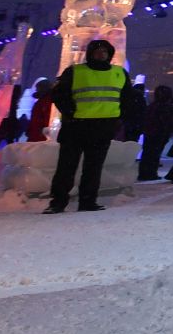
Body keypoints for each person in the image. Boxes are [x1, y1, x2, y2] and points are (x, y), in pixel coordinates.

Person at [44, 39, 133, 213]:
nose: (101, 54)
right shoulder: (75, 71)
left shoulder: (119, 73)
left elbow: (127, 98)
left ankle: (88, 200)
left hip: (103, 127)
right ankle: (58, 202)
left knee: (93, 168)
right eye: (97, 51)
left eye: (104, 52)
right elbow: (59, 94)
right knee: (66, 167)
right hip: (75, 127)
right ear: (90, 54)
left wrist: (120, 117)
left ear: (110, 54)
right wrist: (70, 112)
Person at [138, 85, 173, 181]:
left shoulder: (152, 106)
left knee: (148, 153)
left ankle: (145, 173)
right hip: (160, 133)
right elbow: (169, 121)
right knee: (154, 154)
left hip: (151, 132)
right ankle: (150, 173)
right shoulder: (167, 107)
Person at [118, 78, 148, 144]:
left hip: (127, 125)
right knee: (132, 143)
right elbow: (143, 113)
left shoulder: (127, 97)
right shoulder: (141, 99)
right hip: (135, 126)